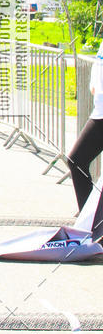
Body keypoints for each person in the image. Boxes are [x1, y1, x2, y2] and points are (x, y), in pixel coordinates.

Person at [67, 41, 103, 241]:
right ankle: (92, 221)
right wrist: (94, 86)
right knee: (76, 161)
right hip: (99, 113)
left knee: (76, 160)